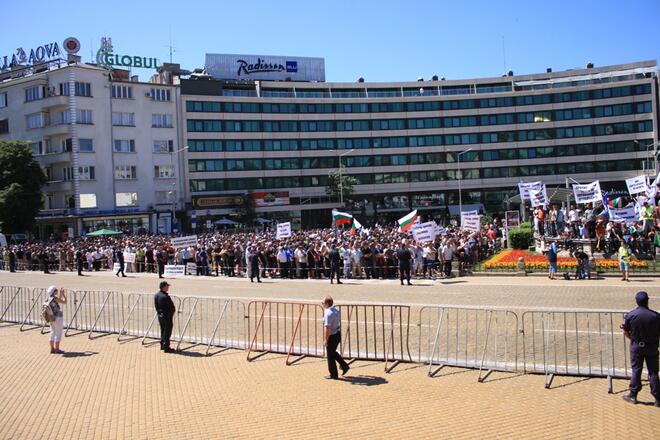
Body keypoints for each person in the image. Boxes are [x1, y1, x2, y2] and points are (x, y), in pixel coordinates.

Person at [621, 291, 660, 406]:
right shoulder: (656, 316)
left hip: (637, 345)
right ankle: (658, 397)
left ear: (636, 301)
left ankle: (633, 394)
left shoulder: (631, 315)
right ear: (647, 300)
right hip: (652, 346)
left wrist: (633, 340)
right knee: (653, 372)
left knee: (636, 370)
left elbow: (625, 331)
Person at [322, 296, 349, 379]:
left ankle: (334, 374)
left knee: (330, 356)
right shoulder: (336, 311)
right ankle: (344, 366)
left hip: (332, 335)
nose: (322, 304)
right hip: (337, 334)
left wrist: (325, 339)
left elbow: (327, 327)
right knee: (333, 353)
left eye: (322, 303)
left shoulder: (328, 313)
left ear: (326, 303)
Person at [154, 281, 175, 353]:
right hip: (167, 317)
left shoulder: (157, 295)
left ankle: (162, 344)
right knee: (167, 331)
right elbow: (170, 307)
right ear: (164, 287)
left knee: (163, 330)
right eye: (167, 286)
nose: (168, 287)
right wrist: (171, 314)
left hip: (160, 315)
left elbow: (156, 306)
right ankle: (166, 347)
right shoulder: (165, 297)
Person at [46, 285, 67, 354]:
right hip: (57, 317)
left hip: (51, 318)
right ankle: (57, 349)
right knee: (58, 333)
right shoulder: (55, 298)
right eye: (56, 290)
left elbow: (58, 301)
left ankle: (52, 349)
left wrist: (60, 294)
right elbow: (64, 302)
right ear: (54, 291)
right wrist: (63, 294)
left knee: (52, 333)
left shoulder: (49, 299)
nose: (57, 290)